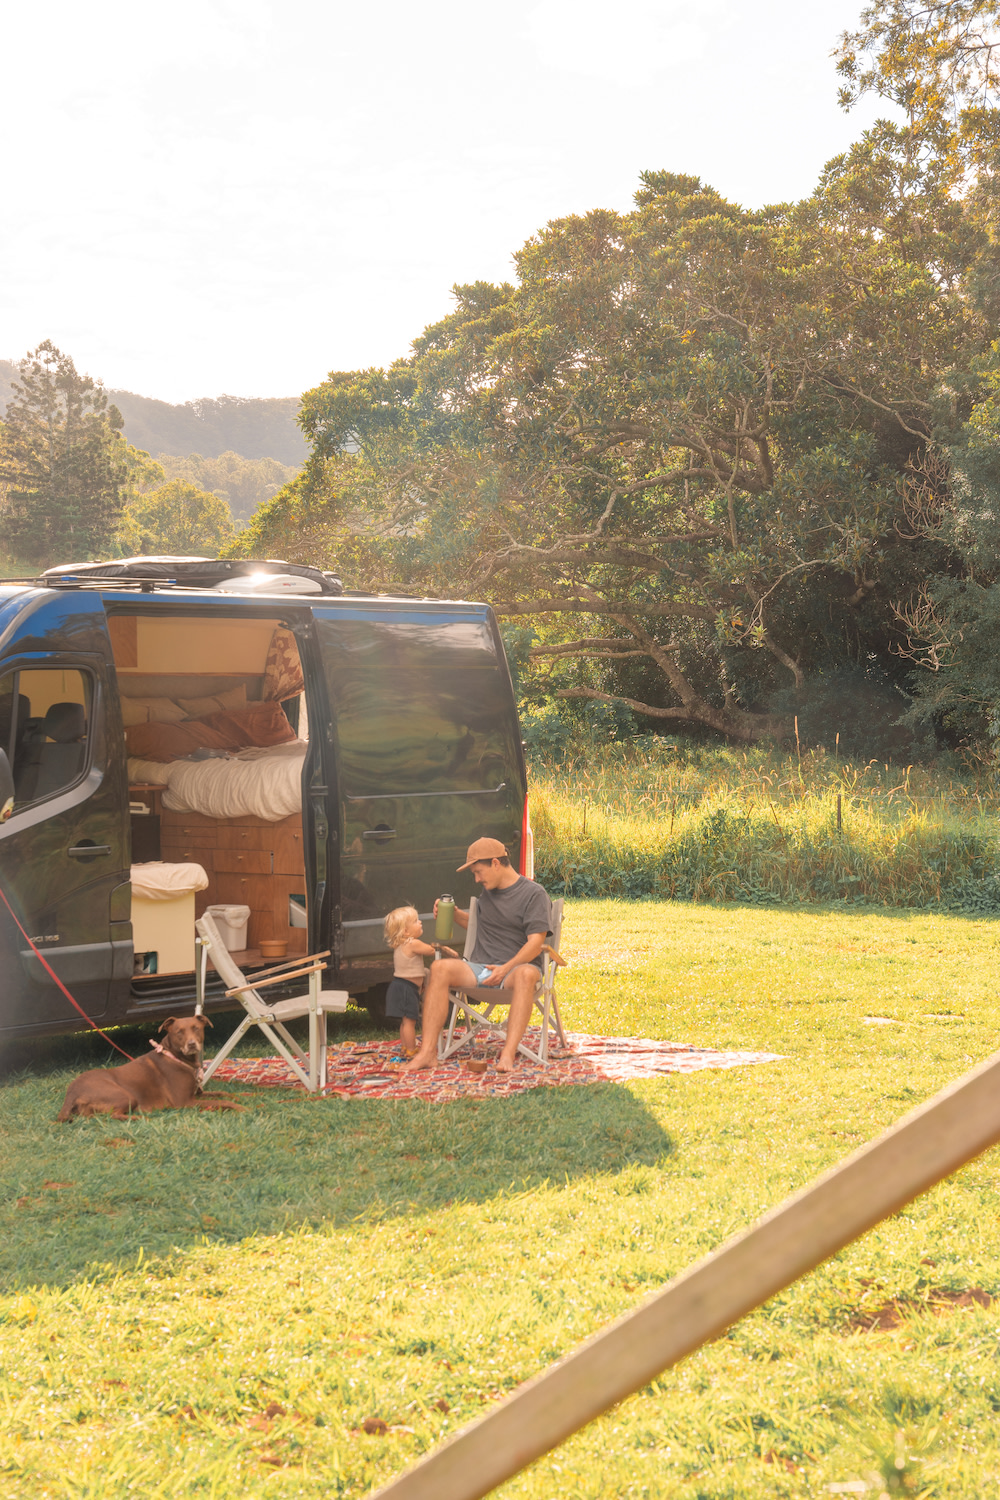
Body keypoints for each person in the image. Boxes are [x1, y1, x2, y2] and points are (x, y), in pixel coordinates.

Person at [401, 838, 552, 1074]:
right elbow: (477, 924)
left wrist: (505, 968)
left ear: (495, 863)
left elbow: (536, 943)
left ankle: (508, 1055)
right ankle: (428, 1052)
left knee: (525, 974)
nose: (477, 879)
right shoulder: (488, 892)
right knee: (440, 969)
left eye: (478, 872)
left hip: (517, 970)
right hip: (480, 967)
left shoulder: (533, 894)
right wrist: (452, 914)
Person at [383, 905, 457, 1056]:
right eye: (416, 921)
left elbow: (413, 968)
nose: (420, 922)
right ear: (406, 931)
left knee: (405, 1022)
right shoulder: (412, 943)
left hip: (400, 986)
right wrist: (445, 948)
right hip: (406, 988)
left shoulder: (401, 945)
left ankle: (405, 1047)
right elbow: (431, 950)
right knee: (410, 1021)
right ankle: (411, 1049)